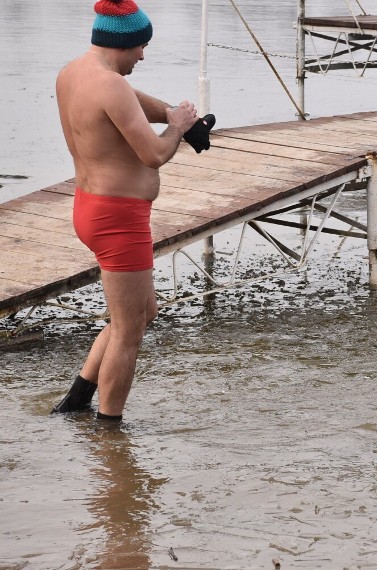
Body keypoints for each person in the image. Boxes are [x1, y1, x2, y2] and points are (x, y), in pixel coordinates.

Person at [51, 0, 211, 420]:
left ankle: (75, 400)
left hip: (92, 207)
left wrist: (179, 118)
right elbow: (154, 153)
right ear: (122, 44)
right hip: (118, 219)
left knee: (143, 312)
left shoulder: (73, 73)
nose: (144, 55)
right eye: (140, 46)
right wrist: (176, 128)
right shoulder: (112, 86)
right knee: (128, 331)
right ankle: (109, 431)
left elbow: (135, 102)